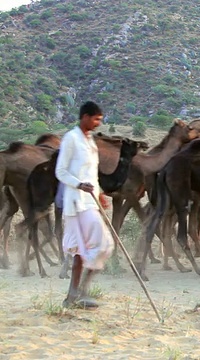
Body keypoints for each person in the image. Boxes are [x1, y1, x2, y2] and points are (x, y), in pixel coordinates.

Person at [55, 101, 114, 309]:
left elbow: (92, 174)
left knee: (93, 248)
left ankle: (75, 294)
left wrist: (100, 193)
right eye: (96, 119)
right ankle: (79, 293)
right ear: (85, 117)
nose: (98, 123)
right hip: (76, 202)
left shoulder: (90, 141)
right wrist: (79, 185)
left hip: (90, 201)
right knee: (102, 243)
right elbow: (60, 171)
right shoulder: (71, 138)